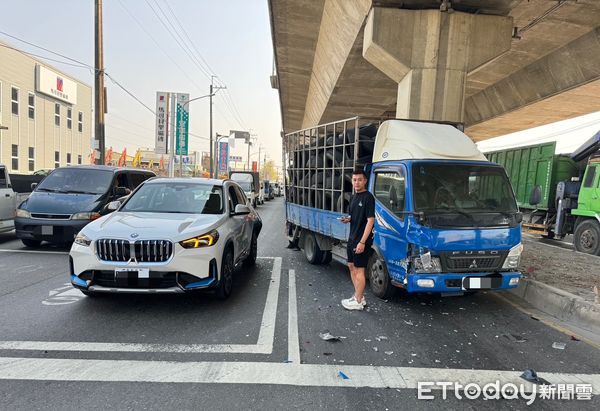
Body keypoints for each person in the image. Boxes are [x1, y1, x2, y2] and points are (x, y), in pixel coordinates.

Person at [340, 168, 375, 311]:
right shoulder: (354, 197)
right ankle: (358, 295)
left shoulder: (368, 197)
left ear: (365, 181)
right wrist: (348, 219)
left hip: (361, 240)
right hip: (352, 237)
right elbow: (355, 216)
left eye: (360, 179)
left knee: (360, 270)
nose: (357, 182)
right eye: (354, 180)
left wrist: (362, 242)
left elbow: (370, 220)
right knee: (351, 266)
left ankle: (358, 301)